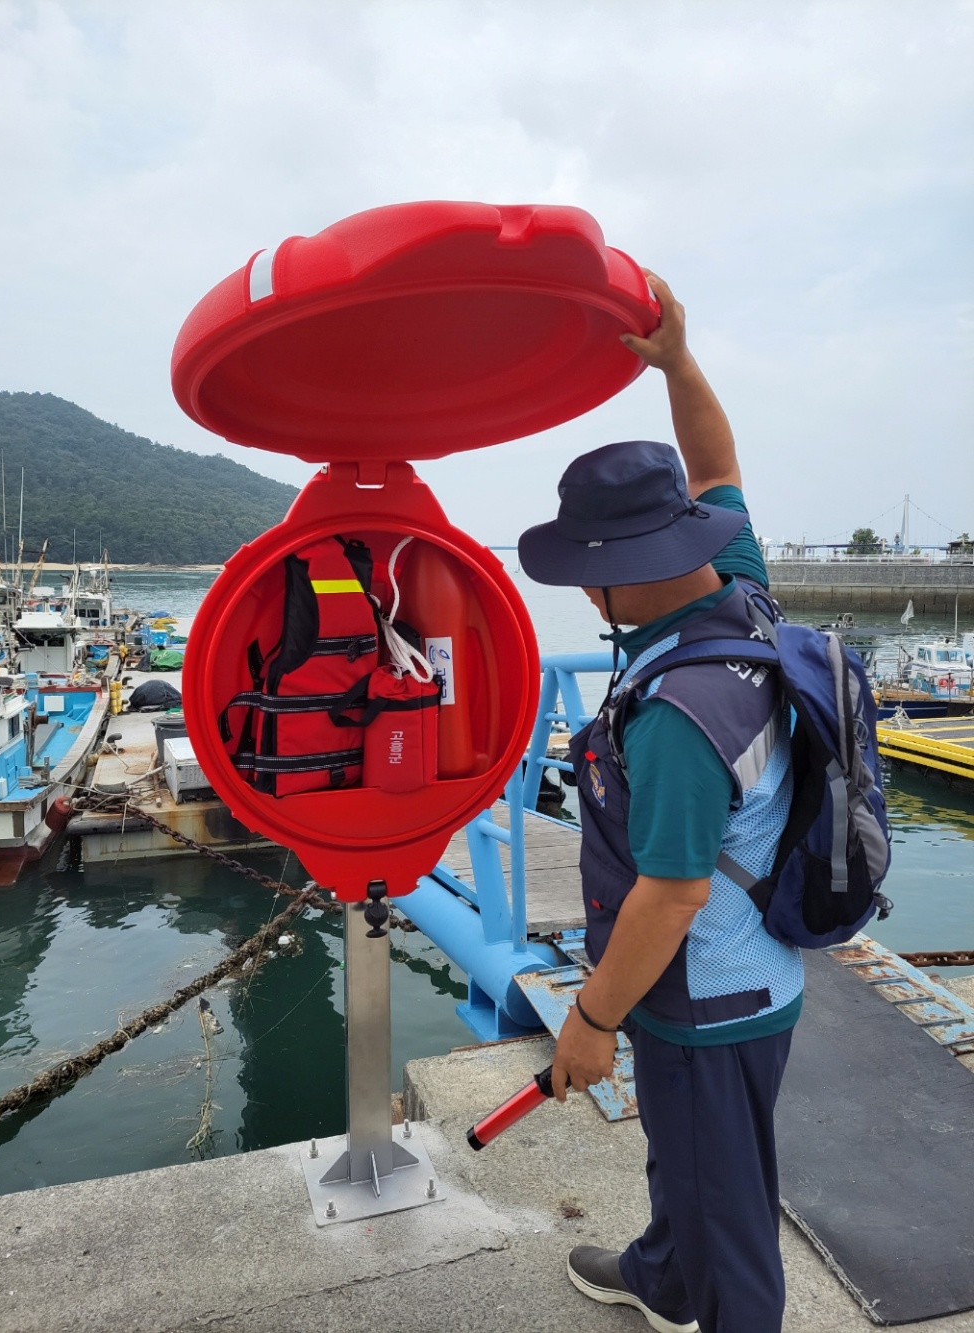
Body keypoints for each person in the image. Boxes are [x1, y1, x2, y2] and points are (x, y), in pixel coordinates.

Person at [517, 273, 803, 1333]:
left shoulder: (680, 716)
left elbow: (671, 893)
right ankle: (663, 1275)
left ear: (625, 568)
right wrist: (676, 361)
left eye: (588, 574)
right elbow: (718, 467)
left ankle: (710, 1294)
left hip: (705, 998)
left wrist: (591, 1020)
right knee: (692, 1162)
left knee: (727, 1213)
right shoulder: (735, 581)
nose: (584, 595)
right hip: (756, 969)